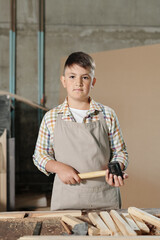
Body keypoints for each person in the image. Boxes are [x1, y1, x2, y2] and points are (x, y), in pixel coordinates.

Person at [33, 51, 129, 210]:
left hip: (105, 198)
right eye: (72, 77)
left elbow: (121, 152)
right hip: (66, 199)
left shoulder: (107, 114)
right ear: (63, 81)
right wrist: (59, 168)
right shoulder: (51, 117)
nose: (78, 82)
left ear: (93, 82)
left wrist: (116, 168)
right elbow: (39, 156)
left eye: (85, 77)